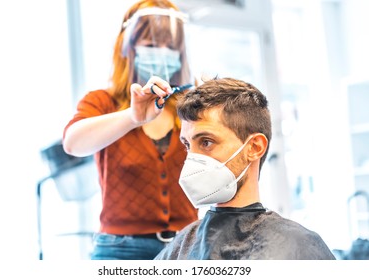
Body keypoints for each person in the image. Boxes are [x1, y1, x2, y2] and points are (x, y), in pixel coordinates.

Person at [62, 0, 198, 260]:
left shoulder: (188, 107)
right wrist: (132, 118)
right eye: (151, 44)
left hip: (187, 247)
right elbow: (73, 143)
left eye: (170, 46)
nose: (161, 52)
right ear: (127, 48)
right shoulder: (103, 102)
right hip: (119, 251)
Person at [154, 77, 336, 260]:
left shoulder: (297, 245)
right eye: (187, 145)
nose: (191, 158)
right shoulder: (184, 243)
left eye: (206, 142)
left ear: (255, 147)